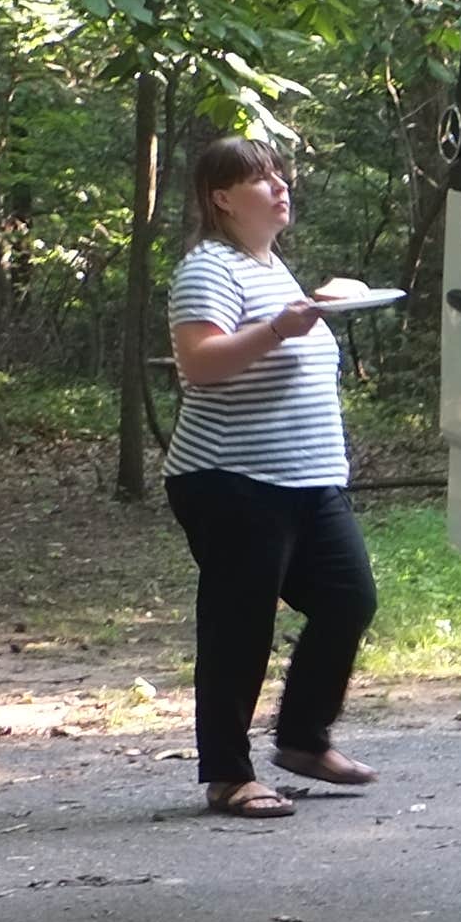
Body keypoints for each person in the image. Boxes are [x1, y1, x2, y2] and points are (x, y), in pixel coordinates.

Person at [163, 135, 377, 818]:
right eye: (261, 178)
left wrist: (317, 305)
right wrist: (282, 329)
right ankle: (228, 775)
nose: (280, 186)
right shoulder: (209, 269)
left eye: (281, 174)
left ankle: (302, 740)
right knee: (239, 625)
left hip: (306, 481)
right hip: (231, 478)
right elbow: (201, 364)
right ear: (221, 197)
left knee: (349, 599)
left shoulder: (270, 266)